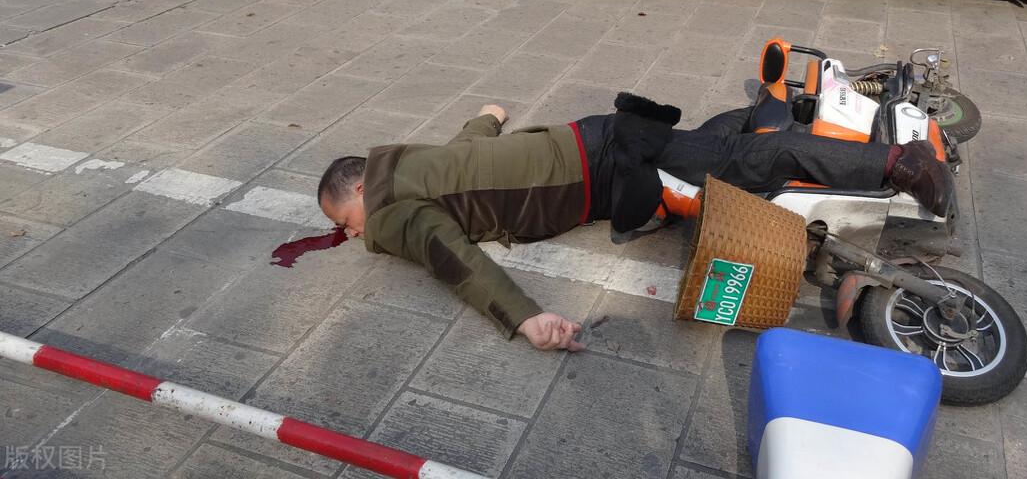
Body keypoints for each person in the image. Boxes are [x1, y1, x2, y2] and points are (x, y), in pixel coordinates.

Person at [318, 93, 955, 353]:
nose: (352, 234)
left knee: (744, 167)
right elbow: (465, 146)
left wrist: (523, 318)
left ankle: (898, 162)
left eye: (346, 221)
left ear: (361, 189)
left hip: (606, 168)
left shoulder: (393, 214)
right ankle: (755, 111)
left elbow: (456, 261)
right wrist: (489, 116)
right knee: (710, 158)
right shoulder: (408, 164)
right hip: (596, 141)